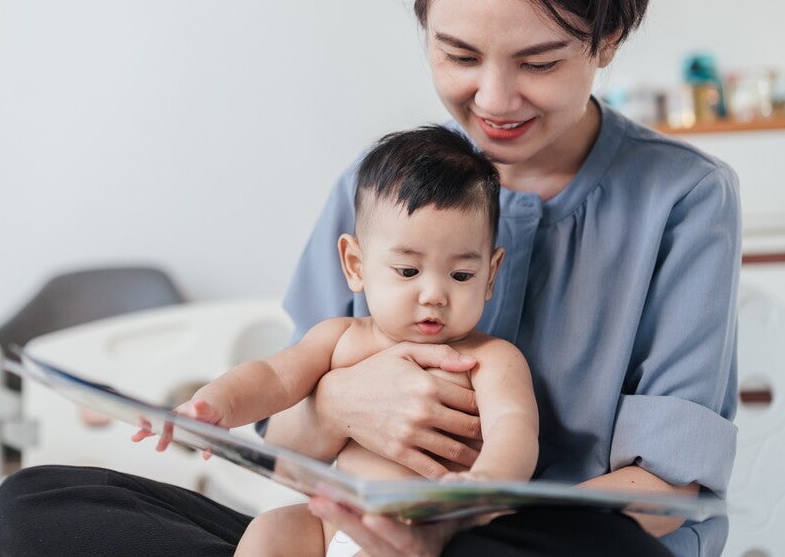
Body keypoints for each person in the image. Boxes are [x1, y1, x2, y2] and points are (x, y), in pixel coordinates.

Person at [0, 0, 739, 555]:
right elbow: (285, 445)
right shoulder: (380, 187)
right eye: (459, 55)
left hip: (534, 540)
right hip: (347, 532)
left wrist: (452, 522)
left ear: (606, 40)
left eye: (538, 62)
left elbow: (665, 493)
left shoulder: (682, 197)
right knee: (36, 506)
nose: (495, 98)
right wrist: (341, 403)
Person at [138, 126, 538, 557]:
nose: (434, 294)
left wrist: (481, 486)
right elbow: (273, 377)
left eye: (461, 275)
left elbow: (514, 428)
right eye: (408, 271)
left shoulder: (491, 359)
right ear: (356, 264)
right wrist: (213, 407)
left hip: (425, 535)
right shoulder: (340, 339)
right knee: (270, 530)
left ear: (491, 275)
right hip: (331, 528)